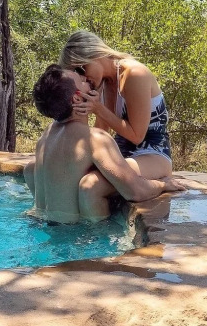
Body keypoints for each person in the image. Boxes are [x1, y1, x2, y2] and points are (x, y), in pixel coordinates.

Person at [23, 64, 184, 223]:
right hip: (80, 235)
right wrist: (162, 185)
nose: (86, 79)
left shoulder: (47, 136)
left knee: (31, 167)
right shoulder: (94, 139)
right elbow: (135, 191)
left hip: (42, 225)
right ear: (77, 98)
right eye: (81, 81)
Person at [58, 31, 173, 210]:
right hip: (120, 152)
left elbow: (137, 136)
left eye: (81, 69)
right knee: (73, 173)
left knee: (92, 185)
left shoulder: (134, 74)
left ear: (93, 54)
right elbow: (101, 131)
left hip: (152, 151)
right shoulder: (104, 82)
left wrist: (98, 108)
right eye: (76, 73)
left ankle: (99, 230)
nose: (82, 78)